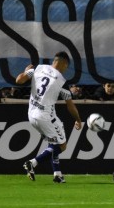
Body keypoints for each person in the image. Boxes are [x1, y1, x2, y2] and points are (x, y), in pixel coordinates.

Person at [16, 51, 82, 183]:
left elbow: (19, 80)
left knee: (53, 142)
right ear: (63, 63)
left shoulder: (37, 68)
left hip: (31, 114)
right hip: (46, 116)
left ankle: (57, 175)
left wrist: (25, 71)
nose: (66, 69)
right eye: (66, 66)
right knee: (61, 145)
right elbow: (70, 105)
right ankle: (33, 162)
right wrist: (78, 120)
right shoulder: (62, 81)